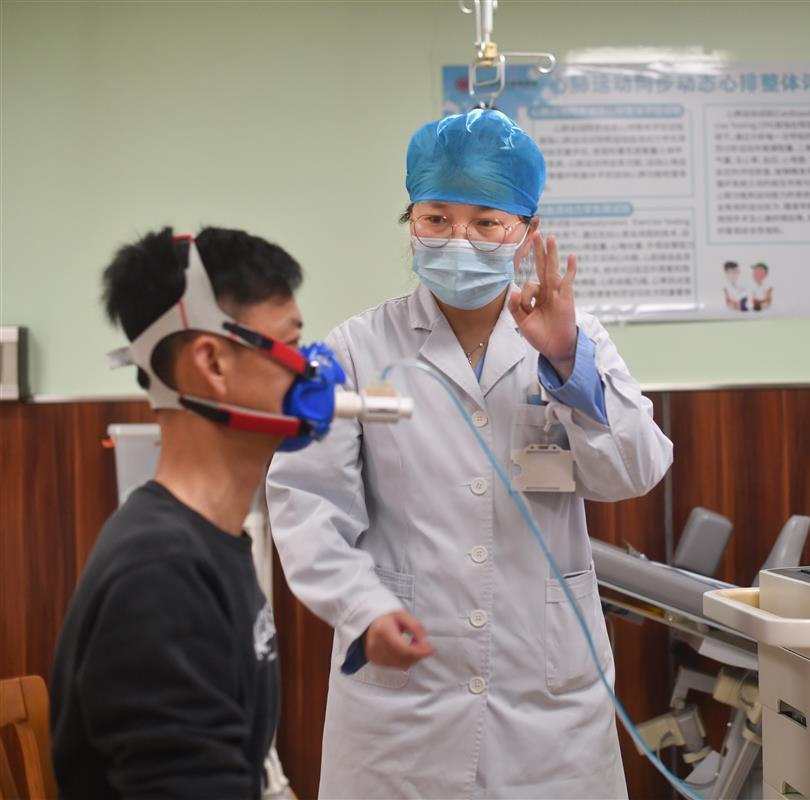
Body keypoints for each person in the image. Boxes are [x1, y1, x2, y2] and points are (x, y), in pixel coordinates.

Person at [266, 108, 673, 799]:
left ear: (526, 233)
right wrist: (361, 606)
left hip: (546, 697)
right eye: (437, 218)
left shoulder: (577, 339)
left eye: (486, 222)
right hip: (404, 704)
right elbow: (306, 502)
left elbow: (633, 471)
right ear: (412, 222)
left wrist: (567, 363)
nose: (459, 239)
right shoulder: (355, 348)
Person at [50, 226, 336, 798]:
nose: (313, 369)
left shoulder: (209, 541)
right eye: (293, 343)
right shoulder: (160, 576)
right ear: (213, 363)